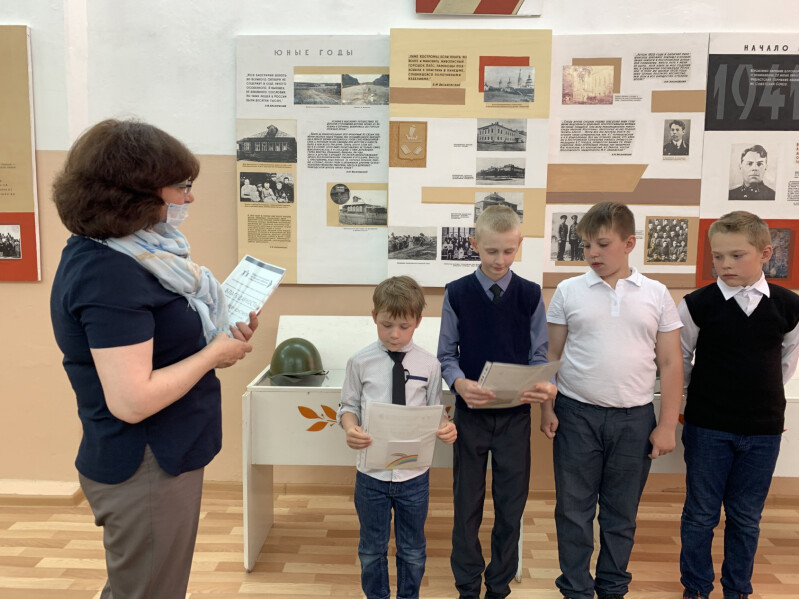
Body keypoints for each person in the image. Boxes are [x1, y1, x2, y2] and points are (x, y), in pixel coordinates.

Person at [49, 119, 259, 598]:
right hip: (143, 462)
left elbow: (160, 342)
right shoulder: (110, 274)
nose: (190, 198)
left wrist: (215, 340)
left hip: (162, 453)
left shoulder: (134, 252)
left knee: (147, 585)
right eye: (181, 186)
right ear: (135, 192)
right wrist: (212, 354)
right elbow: (132, 400)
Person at [541, 201, 683, 599]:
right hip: (575, 415)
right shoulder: (569, 291)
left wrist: (667, 424)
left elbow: (671, 363)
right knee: (573, 511)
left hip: (634, 419)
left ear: (629, 243)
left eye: (602, 244)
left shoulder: (656, 294)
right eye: (586, 246)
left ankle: (613, 588)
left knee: (621, 514)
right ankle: (575, 589)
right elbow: (551, 355)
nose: (593, 253)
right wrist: (547, 407)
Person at [678, 211, 799, 599]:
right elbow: (679, 360)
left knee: (746, 516)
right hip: (707, 427)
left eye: (737, 255)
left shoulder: (789, 306)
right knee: (701, 513)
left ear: (765, 254)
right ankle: (697, 586)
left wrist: (763, 399)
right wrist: (694, 399)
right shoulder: (697, 304)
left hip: (763, 431)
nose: (725, 264)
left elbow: (786, 361)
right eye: (718, 256)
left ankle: (738, 588)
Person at [437, 205, 556, 599]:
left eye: (508, 251)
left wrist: (542, 387)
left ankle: (499, 586)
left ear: (518, 245)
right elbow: (446, 355)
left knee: (510, 507)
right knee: (466, 506)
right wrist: (459, 383)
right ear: (474, 245)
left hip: (515, 420)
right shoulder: (457, 293)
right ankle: (467, 586)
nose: (500, 260)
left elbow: (539, 356)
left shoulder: (530, 295)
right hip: (470, 418)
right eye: (491, 251)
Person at [338, 275, 457, 599]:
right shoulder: (359, 362)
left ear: (418, 321)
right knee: (371, 549)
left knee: (413, 549)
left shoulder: (430, 364)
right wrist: (350, 428)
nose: (395, 334)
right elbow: (348, 406)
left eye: (404, 326)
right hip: (371, 474)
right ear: (374, 316)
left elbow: (435, 410)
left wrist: (446, 426)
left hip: (413, 476)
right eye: (387, 324)